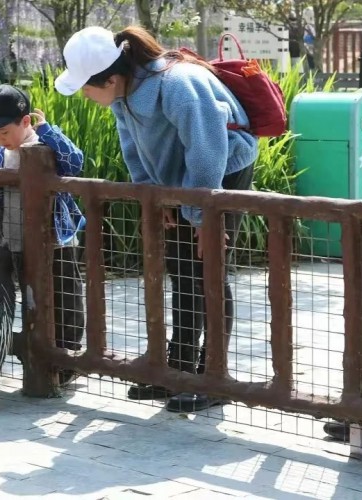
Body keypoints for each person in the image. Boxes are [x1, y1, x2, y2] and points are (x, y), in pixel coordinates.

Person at [54, 26, 259, 413]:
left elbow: (208, 148)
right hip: (184, 180)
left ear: (111, 78)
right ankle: (177, 370)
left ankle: (214, 376)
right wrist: (155, 195)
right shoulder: (124, 93)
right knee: (183, 269)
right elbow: (133, 147)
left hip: (221, 173)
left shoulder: (179, 83)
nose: (83, 93)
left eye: (86, 86)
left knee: (208, 268)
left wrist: (203, 217)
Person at [0, 84, 87, 385]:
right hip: (16, 241)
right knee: (31, 300)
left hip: (56, 241)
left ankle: (68, 357)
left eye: (4, 131)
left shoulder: (45, 147)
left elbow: (75, 162)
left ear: (25, 122)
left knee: (66, 298)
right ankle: (35, 355)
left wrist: (47, 130)